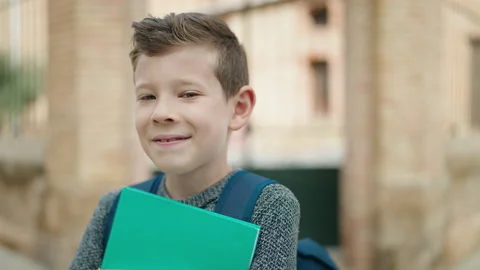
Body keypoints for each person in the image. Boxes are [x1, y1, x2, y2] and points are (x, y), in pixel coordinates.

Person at [69, 12, 300, 270]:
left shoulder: (266, 206)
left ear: (238, 108)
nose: (161, 113)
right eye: (147, 97)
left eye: (188, 94)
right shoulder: (114, 208)